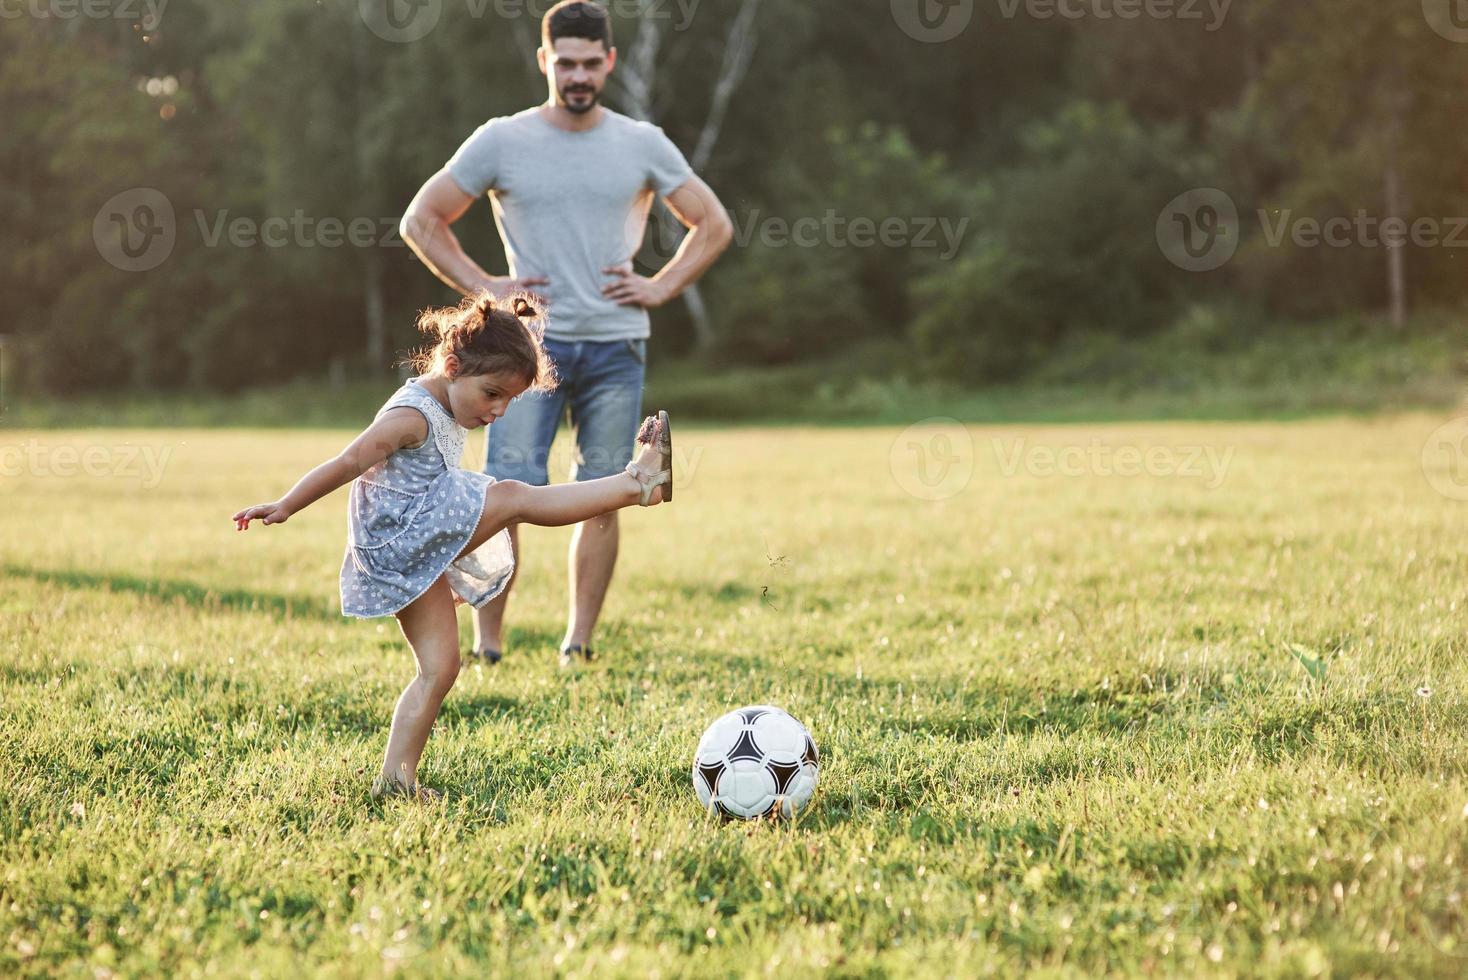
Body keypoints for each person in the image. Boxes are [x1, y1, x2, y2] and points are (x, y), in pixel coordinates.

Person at [230, 293, 674, 800]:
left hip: (413, 552)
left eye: (508, 400)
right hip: (401, 541)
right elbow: (347, 461)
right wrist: (287, 504)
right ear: (453, 365)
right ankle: (639, 483)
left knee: (440, 669)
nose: (499, 411)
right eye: (491, 394)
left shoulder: (448, 404)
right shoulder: (410, 418)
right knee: (512, 497)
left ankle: (395, 781)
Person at [400, 0, 733, 669]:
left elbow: (714, 223)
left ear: (608, 62)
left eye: (590, 63)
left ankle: (578, 643)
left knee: (608, 491)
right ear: (544, 60)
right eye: (565, 62)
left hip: (617, 345)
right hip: (526, 353)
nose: (578, 75)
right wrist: (486, 287)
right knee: (502, 492)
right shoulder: (502, 139)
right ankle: (489, 645)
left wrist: (662, 286)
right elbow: (422, 220)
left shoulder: (641, 142)